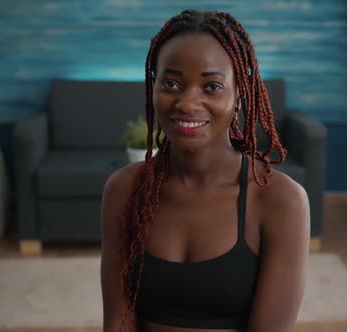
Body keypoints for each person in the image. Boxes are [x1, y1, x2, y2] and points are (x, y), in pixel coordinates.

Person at [101, 9, 310, 332]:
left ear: (239, 94)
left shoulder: (280, 200)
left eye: (211, 86)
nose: (186, 102)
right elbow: (118, 321)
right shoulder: (124, 189)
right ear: (152, 87)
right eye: (170, 83)